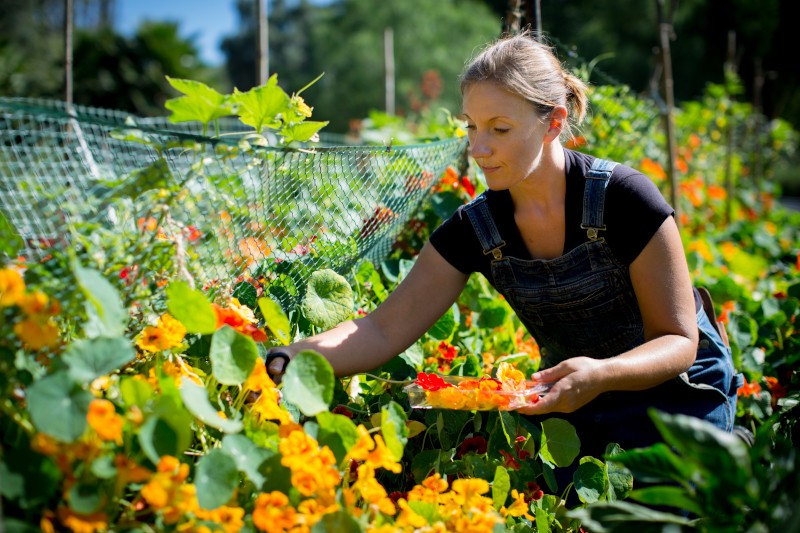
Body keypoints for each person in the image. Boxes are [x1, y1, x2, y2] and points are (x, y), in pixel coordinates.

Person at [265, 30, 740, 476]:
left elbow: (679, 340)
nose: (479, 147)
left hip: (679, 394)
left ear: (553, 121)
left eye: (500, 128)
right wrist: (284, 357)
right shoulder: (478, 227)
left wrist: (601, 374)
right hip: (576, 398)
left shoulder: (624, 198)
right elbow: (382, 328)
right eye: (472, 127)